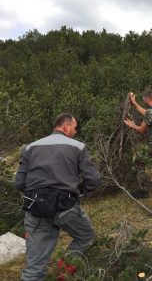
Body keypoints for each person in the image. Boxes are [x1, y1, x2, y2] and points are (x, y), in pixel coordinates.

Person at [15, 113, 101, 281]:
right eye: (75, 128)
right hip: (65, 207)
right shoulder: (77, 147)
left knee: (34, 267)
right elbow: (94, 179)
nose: (75, 131)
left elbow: (19, 183)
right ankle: (65, 269)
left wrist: (38, 194)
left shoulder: (31, 147)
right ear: (66, 127)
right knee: (86, 236)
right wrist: (80, 191)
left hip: (36, 209)